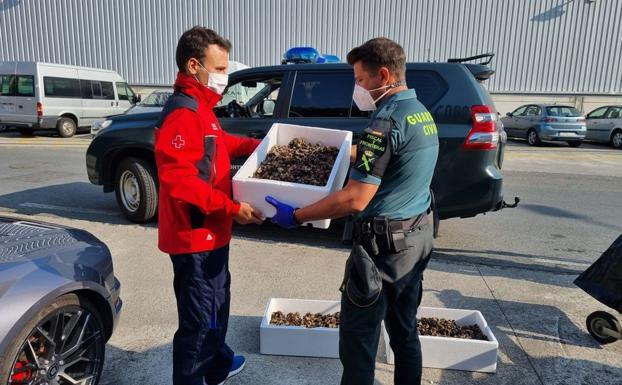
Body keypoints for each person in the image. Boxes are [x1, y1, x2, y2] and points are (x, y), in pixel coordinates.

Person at [266, 37, 439, 385]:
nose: (357, 87)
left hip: (383, 252)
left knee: (358, 342)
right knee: (404, 333)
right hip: (417, 239)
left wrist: (297, 215)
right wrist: (342, 149)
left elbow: (355, 198)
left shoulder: (385, 120)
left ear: (384, 75)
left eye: (360, 80)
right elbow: (395, 155)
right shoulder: (419, 111)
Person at [154, 26, 264, 385]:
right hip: (195, 236)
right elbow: (178, 181)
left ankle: (218, 365)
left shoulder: (203, 107)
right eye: (218, 69)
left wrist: (253, 146)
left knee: (217, 304)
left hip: (214, 233)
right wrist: (232, 208)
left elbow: (218, 143)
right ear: (192, 65)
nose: (224, 77)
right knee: (199, 321)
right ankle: (193, 376)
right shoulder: (183, 113)